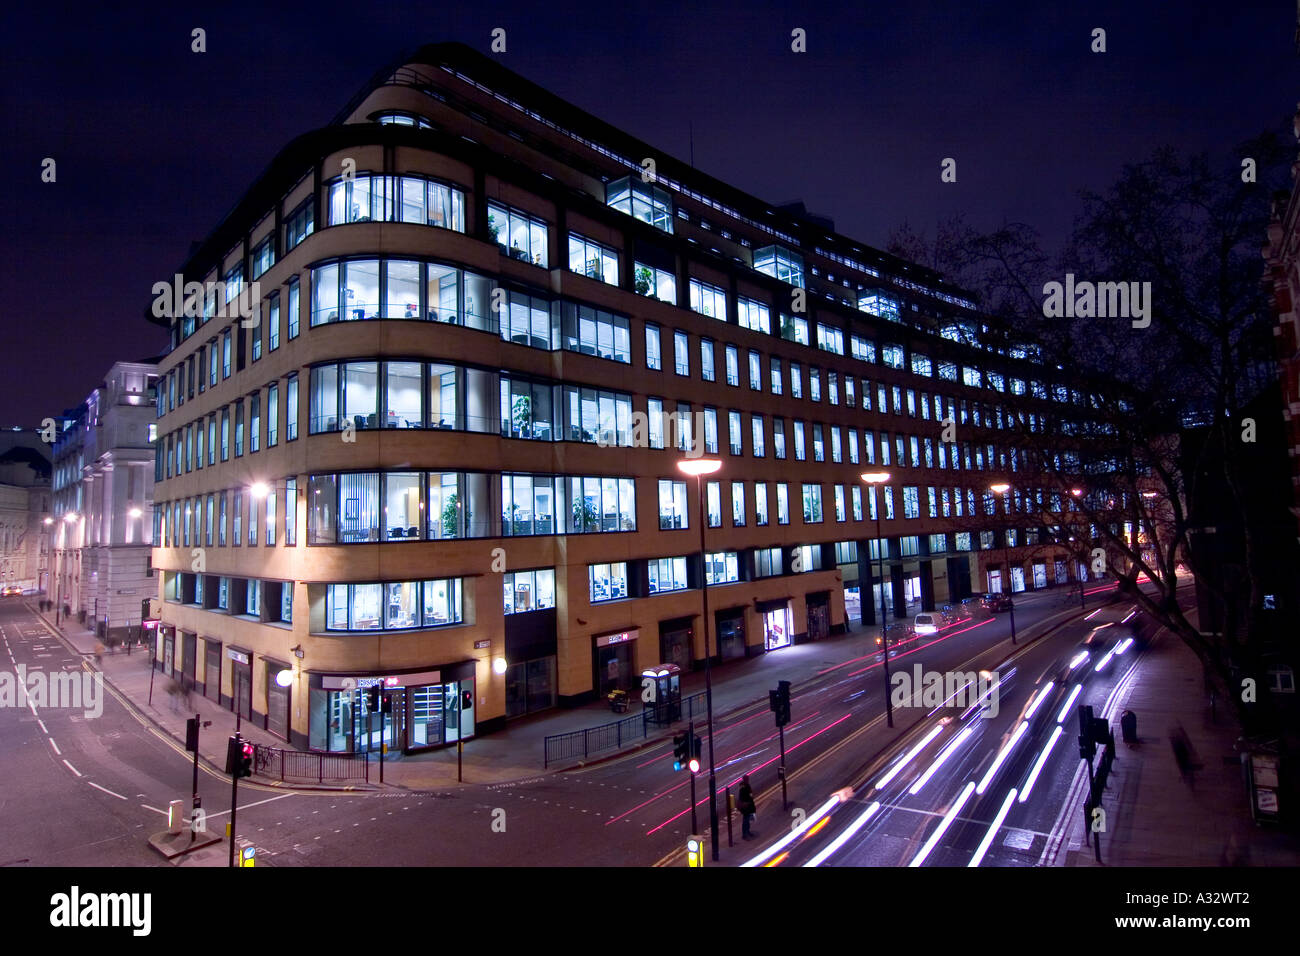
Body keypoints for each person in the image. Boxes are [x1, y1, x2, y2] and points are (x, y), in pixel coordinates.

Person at [738, 775, 757, 840]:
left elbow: (750, 794)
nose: (748, 779)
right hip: (746, 806)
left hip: (748, 805)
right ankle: (744, 834)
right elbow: (746, 795)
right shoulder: (744, 787)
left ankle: (747, 832)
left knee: (747, 819)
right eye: (747, 779)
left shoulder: (745, 786)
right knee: (745, 820)